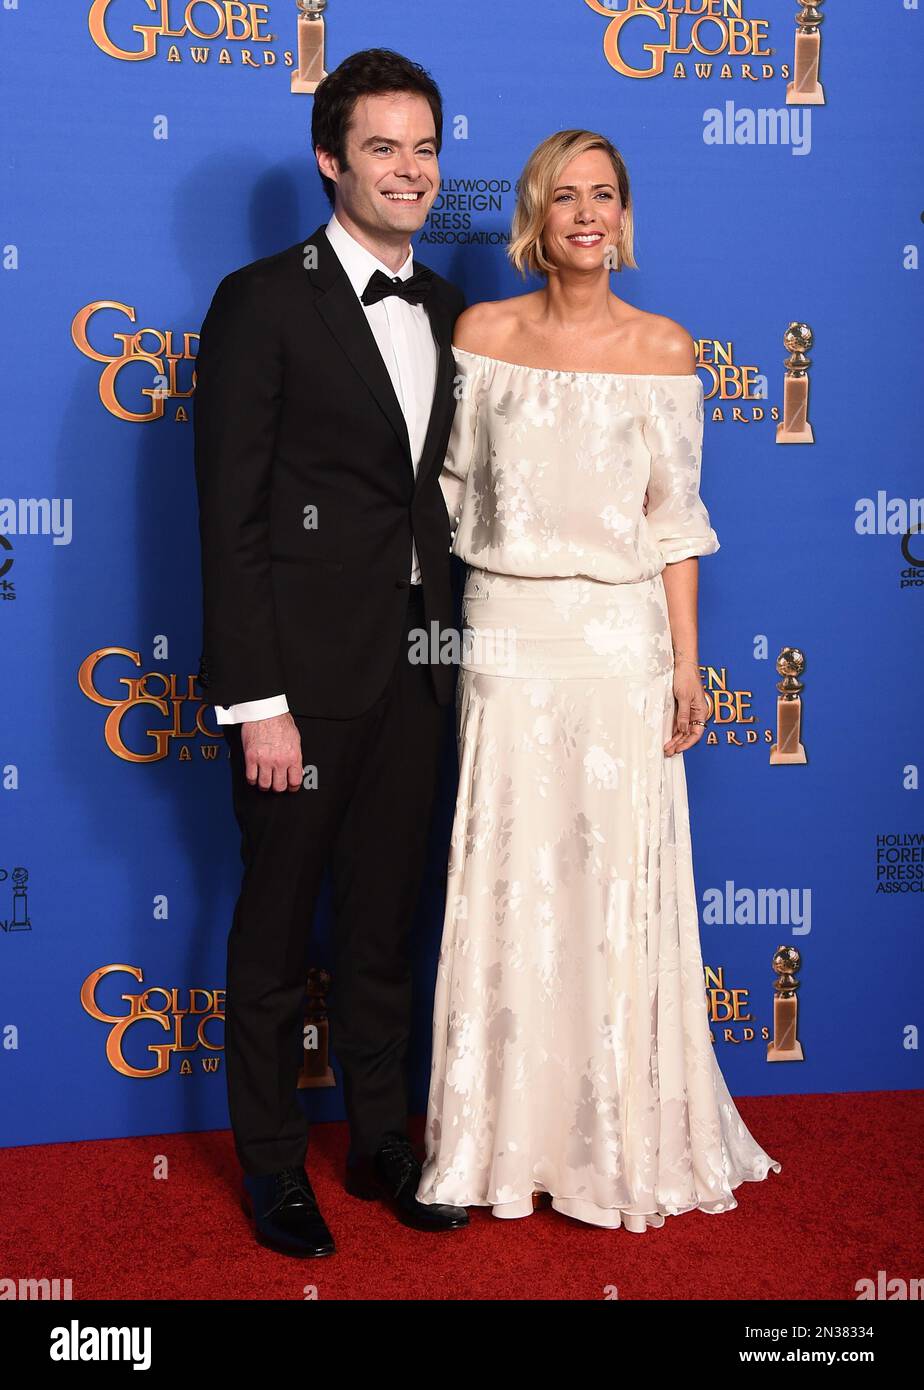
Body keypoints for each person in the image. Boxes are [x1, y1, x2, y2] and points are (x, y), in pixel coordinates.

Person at [416, 129, 782, 1230]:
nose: (587, 212)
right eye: (565, 194)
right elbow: (444, 494)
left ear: (625, 214)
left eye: (605, 194)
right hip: (507, 638)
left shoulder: (668, 349)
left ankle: (616, 1140)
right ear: (536, 213)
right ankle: (497, 1138)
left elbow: (675, 522)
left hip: (621, 645)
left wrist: (686, 663)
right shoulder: (480, 334)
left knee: (612, 881)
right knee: (511, 877)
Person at [193, 48, 470, 1257]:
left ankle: (380, 1141)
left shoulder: (457, 310)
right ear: (329, 158)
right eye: (381, 148)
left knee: (382, 923)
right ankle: (270, 1172)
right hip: (298, 689)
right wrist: (259, 702)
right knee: (274, 932)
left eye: (423, 149)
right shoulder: (262, 301)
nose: (407, 171)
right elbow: (231, 518)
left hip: (420, 670)